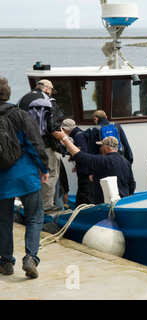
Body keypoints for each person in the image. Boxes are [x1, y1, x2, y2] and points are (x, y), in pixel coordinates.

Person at [0, 76, 49, 278]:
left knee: (3, 222)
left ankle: (5, 262)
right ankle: (30, 257)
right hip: (27, 176)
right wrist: (44, 168)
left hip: (2, 180)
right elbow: (35, 144)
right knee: (35, 218)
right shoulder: (21, 115)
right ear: (8, 94)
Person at [17, 79, 64, 213]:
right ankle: (47, 205)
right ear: (48, 89)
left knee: (30, 173)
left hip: (24, 143)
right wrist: (63, 139)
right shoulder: (49, 100)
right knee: (50, 173)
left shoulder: (22, 99)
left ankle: (28, 204)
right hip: (45, 144)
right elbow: (52, 126)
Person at [53, 130, 136, 205]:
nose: (100, 148)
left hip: (106, 206)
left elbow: (80, 156)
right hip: (123, 202)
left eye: (101, 146)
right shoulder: (126, 162)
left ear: (107, 147)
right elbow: (131, 183)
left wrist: (64, 138)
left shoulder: (103, 160)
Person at [61, 118, 93, 207]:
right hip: (84, 170)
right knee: (81, 197)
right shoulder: (80, 134)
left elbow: (83, 154)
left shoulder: (78, 137)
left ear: (67, 129)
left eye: (63, 130)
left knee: (85, 196)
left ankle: (91, 216)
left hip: (85, 173)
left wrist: (73, 157)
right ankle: (79, 214)